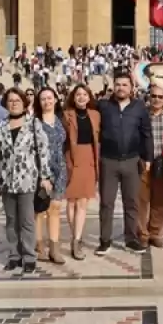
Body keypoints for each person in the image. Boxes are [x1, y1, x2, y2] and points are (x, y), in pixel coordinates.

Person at [0, 87, 53, 274]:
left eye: (17, 100)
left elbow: (43, 152)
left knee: (27, 220)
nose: (13, 104)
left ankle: (28, 256)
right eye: (10, 101)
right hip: (6, 180)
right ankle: (14, 256)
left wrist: (45, 177)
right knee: (11, 220)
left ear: (24, 103)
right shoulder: (0, 126)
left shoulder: (33, 124)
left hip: (27, 179)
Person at [96, 73, 153, 255]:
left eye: (124, 85)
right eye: (118, 84)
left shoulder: (139, 107)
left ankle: (131, 239)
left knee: (132, 202)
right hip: (108, 161)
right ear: (114, 86)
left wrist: (148, 158)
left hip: (131, 160)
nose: (121, 88)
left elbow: (146, 133)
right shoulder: (104, 106)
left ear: (131, 88)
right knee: (106, 202)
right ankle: (105, 240)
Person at [62, 85, 101, 260]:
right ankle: (75, 237)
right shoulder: (66, 115)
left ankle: (77, 238)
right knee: (71, 202)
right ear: (73, 97)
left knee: (83, 202)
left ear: (89, 97)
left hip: (89, 159)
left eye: (84, 94)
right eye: (78, 94)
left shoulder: (95, 115)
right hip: (72, 158)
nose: (81, 97)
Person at [33, 87, 68, 264]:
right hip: (42, 171)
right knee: (40, 210)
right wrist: (42, 176)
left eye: (49, 98)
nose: (47, 101)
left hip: (60, 169)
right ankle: (39, 246)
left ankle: (54, 247)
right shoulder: (35, 123)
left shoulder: (61, 120)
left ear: (55, 99)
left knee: (55, 208)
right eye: (43, 99)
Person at [140, 85, 163, 248]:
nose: (157, 99)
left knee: (160, 199)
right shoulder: (142, 115)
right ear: (149, 97)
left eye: (160, 97)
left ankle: (154, 232)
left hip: (162, 162)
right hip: (143, 162)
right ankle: (142, 233)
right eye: (154, 96)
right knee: (141, 199)